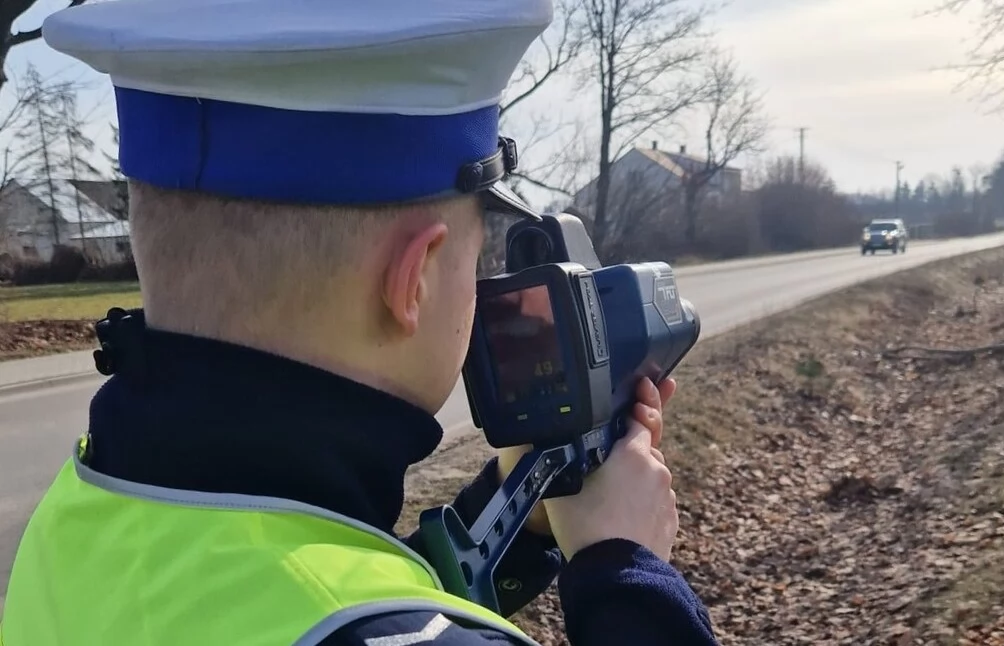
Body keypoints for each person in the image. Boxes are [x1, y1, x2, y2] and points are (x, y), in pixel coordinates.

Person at [0, 1, 721, 646]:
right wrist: (629, 576)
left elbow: (319, 591)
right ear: (414, 279)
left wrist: (517, 515)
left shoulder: (81, 513)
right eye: (476, 255)